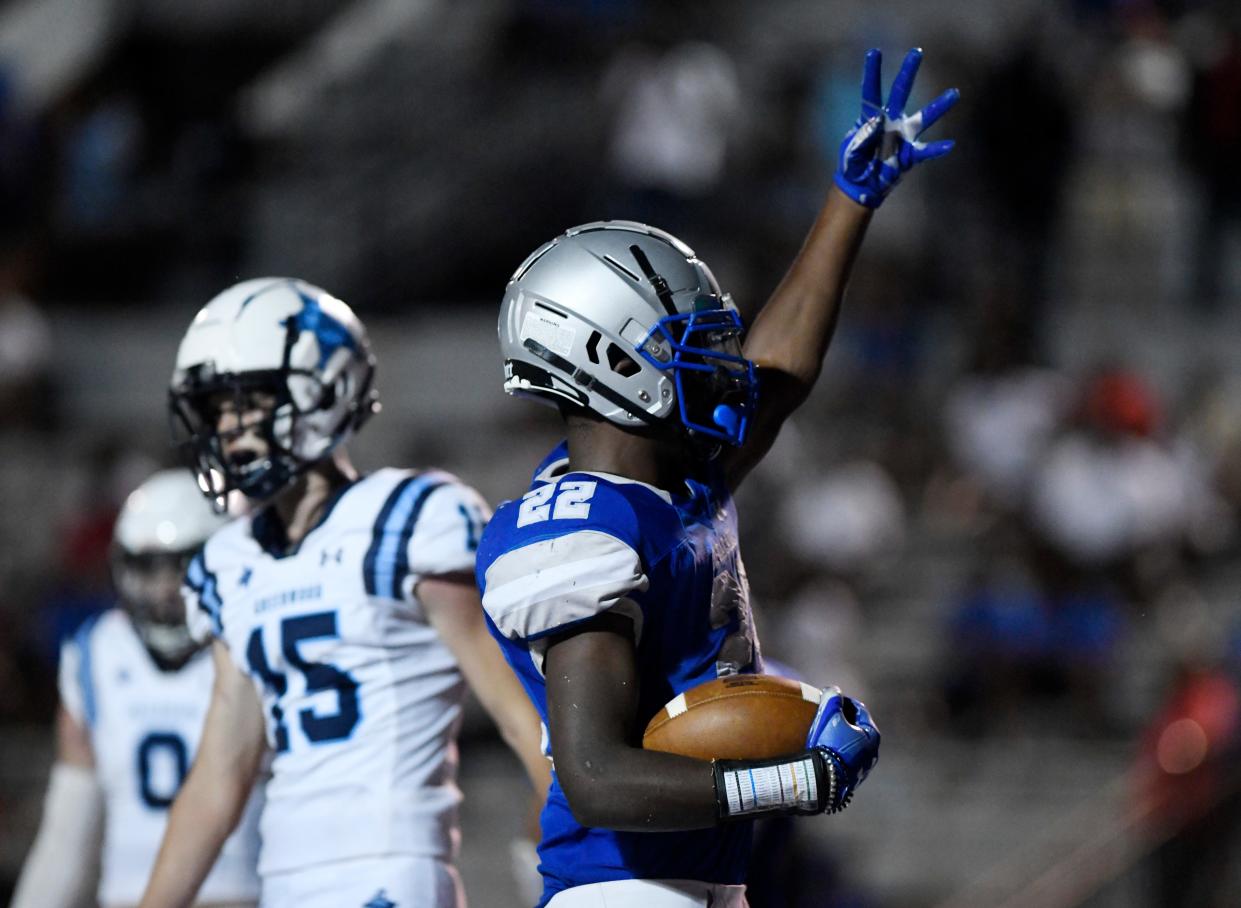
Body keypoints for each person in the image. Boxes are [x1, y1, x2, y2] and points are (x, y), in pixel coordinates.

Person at [475, 48, 957, 906]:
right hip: (621, 889)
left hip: (692, 881)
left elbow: (777, 381)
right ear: (602, 358)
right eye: (687, 348)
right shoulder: (575, 527)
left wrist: (847, 204)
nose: (721, 366)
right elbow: (595, 777)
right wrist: (786, 783)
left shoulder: (673, 482)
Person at [139, 278, 550, 908]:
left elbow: (523, 713)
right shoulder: (230, 560)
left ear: (322, 389)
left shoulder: (410, 518)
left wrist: (577, 854)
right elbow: (219, 775)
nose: (228, 427)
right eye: (218, 408)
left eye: (249, 401)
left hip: (391, 868)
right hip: (284, 878)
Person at [12, 469, 262, 908]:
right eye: (149, 568)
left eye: (181, 569)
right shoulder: (96, 653)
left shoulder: (254, 644)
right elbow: (68, 836)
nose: (165, 590)